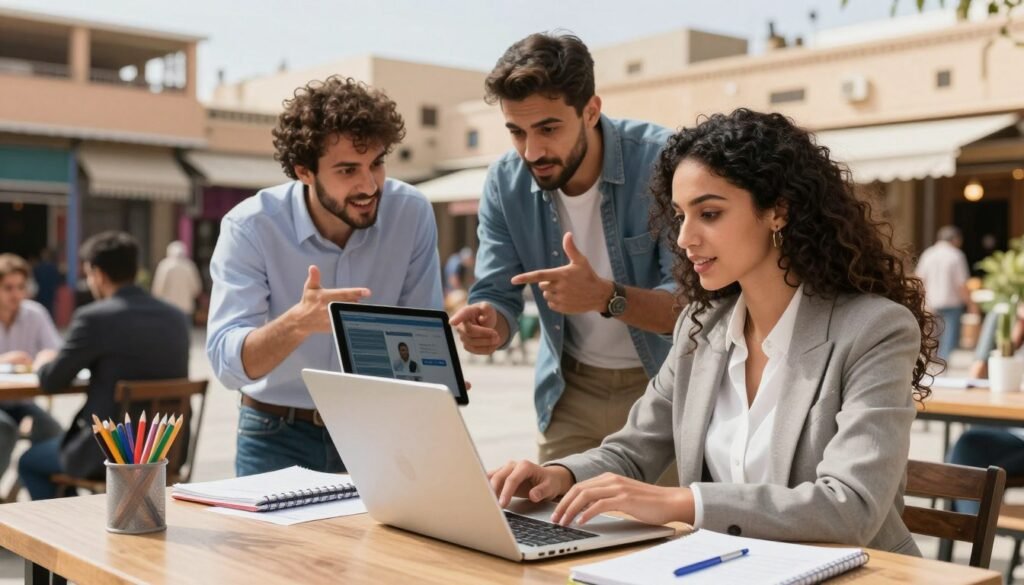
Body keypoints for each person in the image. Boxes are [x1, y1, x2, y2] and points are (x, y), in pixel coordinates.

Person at [488, 109, 938, 555]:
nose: (684, 238)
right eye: (680, 215)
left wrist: (685, 502)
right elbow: (632, 451)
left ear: (778, 210)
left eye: (709, 213)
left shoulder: (874, 329)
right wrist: (559, 475)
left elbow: (851, 506)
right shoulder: (700, 329)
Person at [450, 33, 679, 468]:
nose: (532, 151)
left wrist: (604, 297)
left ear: (591, 111)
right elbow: (496, 293)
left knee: (667, 534)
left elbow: (693, 307)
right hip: (570, 391)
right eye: (517, 132)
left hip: (665, 389)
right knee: (553, 527)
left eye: (548, 129)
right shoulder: (504, 181)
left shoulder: (662, 162)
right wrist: (489, 325)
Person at [206, 76, 443, 477]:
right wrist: (296, 324)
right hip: (275, 433)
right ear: (304, 171)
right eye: (348, 170)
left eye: (377, 163)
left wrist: (437, 382)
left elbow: (421, 330)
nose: (369, 185)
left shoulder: (412, 213)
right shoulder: (250, 227)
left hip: (377, 431)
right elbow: (227, 363)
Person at [19, 232, 190, 499]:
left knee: (30, 462)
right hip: (165, 450)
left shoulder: (95, 318)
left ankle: (61, 532)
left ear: (97, 274)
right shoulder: (177, 318)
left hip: (109, 452)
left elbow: (52, 380)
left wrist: (43, 361)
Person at [0, 253, 64, 479]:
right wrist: (5, 360)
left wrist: (45, 358)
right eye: (8, 287)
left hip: (23, 401)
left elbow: (55, 350)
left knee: (55, 433)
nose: (16, 294)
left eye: (20, 286)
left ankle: (48, 495)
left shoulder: (35, 313)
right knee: (4, 430)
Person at [915, 226, 971, 362]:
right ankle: (943, 363)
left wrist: (921, 300)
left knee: (934, 336)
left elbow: (919, 279)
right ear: (955, 239)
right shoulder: (956, 255)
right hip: (952, 303)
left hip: (931, 302)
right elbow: (961, 284)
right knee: (949, 338)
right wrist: (970, 303)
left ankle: (934, 362)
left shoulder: (928, 254)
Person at [151, 240, 203, 319]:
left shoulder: (165, 265)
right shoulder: (189, 266)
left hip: (168, 306)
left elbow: (158, 288)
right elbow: (196, 289)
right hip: (186, 308)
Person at [31, 248, 61, 318]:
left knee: (40, 309)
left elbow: (35, 279)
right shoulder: (54, 267)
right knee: (49, 310)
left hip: (41, 292)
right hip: (50, 292)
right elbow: (58, 280)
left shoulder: (38, 267)